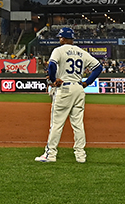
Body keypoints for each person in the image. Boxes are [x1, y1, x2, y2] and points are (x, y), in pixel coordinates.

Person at [35, 27, 102, 163]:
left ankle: (50, 154)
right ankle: (80, 155)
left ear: (63, 38)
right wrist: (87, 82)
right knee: (78, 124)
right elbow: (98, 67)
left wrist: (53, 80)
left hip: (64, 88)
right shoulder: (81, 52)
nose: (59, 39)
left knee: (57, 124)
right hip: (78, 88)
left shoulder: (59, 50)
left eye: (60, 37)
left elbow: (52, 65)